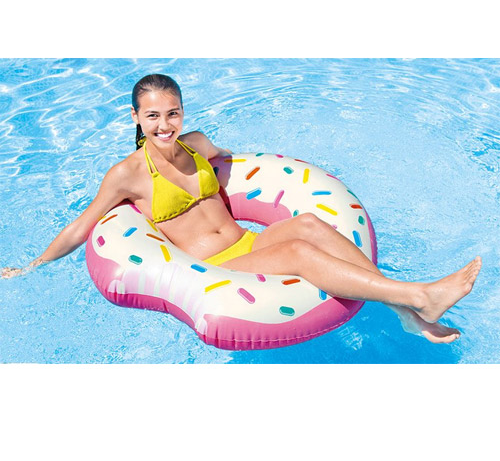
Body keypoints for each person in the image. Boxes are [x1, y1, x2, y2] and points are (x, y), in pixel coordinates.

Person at [1, 74, 482, 344]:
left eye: (173, 113)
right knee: (298, 251)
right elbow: (81, 227)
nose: (165, 125)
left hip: (249, 243)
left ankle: (407, 313)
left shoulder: (196, 144)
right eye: (153, 116)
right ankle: (418, 296)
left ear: (182, 112)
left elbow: (234, 163)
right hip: (216, 268)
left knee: (309, 223)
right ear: (136, 117)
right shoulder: (127, 174)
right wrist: (32, 265)